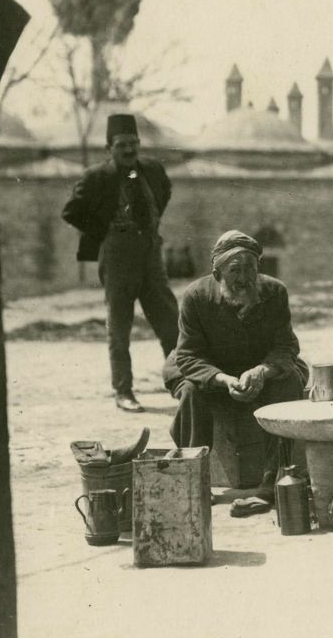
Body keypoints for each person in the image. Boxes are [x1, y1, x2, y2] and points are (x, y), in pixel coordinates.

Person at [164, 230, 309, 497]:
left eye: (250, 269)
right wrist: (225, 380)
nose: (243, 279)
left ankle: (275, 475)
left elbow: (286, 346)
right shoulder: (196, 296)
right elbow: (188, 356)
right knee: (191, 391)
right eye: (235, 270)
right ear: (217, 273)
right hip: (211, 373)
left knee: (289, 380)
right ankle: (194, 476)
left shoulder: (275, 292)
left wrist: (262, 371)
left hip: (258, 372)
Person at [62, 113, 179, 412]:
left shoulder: (152, 170)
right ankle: (123, 391)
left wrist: (147, 227)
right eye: (121, 144)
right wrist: (104, 231)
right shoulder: (96, 177)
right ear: (109, 148)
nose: (129, 150)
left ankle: (181, 385)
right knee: (120, 327)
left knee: (170, 323)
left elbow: (164, 194)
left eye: (134, 143)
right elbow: (71, 211)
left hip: (151, 256)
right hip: (117, 259)